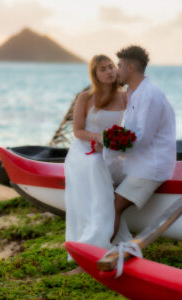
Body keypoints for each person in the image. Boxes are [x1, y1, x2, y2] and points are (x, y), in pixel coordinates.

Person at [64, 54, 133, 274]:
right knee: (95, 166)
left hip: (111, 152)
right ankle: (93, 244)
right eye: (102, 69)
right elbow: (77, 132)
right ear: (95, 75)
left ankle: (98, 238)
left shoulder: (125, 97)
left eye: (111, 66)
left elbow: (132, 127)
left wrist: (121, 142)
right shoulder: (86, 97)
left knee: (120, 168)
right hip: (84, 151)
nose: (109, 71)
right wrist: (100, 138)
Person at [110, 45, 176, 242]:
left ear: (130, 68)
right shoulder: (133, 92)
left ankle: (102, 254)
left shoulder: (149, 95)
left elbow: (142, 138)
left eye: (119, 66)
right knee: (100, 179)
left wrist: (110, 144)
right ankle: (117, 245)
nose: (116, 71)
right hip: (137, 161)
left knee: (114, 205)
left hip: (150, 166)